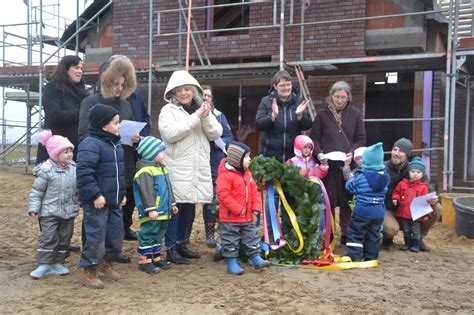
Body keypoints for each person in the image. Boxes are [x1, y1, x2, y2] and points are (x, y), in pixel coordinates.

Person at [158, 70, 222, 265]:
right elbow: (170, 134)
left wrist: (206, 115)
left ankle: (182, 243)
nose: (183, 93)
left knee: (190, 208)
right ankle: (171, 248)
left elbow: (216, 133)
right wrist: (195, 116)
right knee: (175, 209)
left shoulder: (202, 110)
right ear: (173, 93)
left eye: (187, 89)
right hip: (177, 167)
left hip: (197, 167)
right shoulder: (167, 111)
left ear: (194, 90)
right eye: (179, 90)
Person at [78, 57, 139, 262]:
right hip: (97, 162)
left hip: (120, 159)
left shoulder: (126, 105)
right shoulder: (90, 101)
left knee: (115, 213)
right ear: (106, 80)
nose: (120, 89)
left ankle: (111, 254)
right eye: (116, 84)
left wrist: (133, 138)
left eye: (124, 85)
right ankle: (92, 255)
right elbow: (83, 134)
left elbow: (124, 131)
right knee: (95, 214)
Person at [310, 81, 366, 245]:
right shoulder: (322, 115)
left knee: (347, 201)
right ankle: (330, 232)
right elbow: (314, 137)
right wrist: (319, 153)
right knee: (328, 201)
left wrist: (352, 153)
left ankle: (346, 233)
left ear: (348, 97)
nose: (340, 100)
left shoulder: (355, 115)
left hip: (347, 166)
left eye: (343, 97)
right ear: (331, 96)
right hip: (327, 167)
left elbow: (361, 139)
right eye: (337, 97)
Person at [77, 104, 126, 289]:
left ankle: (107, 262)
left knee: (115, 235)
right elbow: (84, 173)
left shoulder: (116, 145)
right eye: (116, 123)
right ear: (104, 126)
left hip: (114, 201)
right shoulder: (90, 144)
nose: (119, 126)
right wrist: (95, 195)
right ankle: (89, 269)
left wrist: (121, 195)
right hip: (97, 202)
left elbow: (119, 174)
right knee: (96, 236)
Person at [28, 130, 78, 279]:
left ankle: (57, 262)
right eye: (65, 152)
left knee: (64, 238)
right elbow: (37, 192)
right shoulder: (46, 171)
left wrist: (80, 201)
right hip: (49, 212)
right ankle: (44, 264)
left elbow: (78, 189)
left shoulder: (74, 169)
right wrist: (33, 208)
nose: (69, 154)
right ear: (55, 154)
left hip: (68, 212)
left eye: (70, 151)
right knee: (48, 237)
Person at [216, 141, 270, 275]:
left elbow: (254, 192)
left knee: (251, 237)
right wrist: (237, 209)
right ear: (237, 160)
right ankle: (232, 264)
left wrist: (256, 207)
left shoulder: (247, 174)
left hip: (247, 217)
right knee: (230, 240)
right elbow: (223, 195)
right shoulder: (225, 175)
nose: (250, 159)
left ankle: (256, 259)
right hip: (231, 218)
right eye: (247, 157)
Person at [383, 138, 441, 251]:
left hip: (411, 209)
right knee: (390, 229)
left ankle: (418, 239)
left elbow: (430, 189)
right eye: (394, 149)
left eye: (401, 151)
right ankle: (386, 238)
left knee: (437, 208)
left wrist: (434, 198)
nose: (396, 153)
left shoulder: (415, 169)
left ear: (407, 155)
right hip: (389, 209)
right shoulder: (383, 167)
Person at [133, 136, 179, 274]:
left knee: (159, 234)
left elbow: (168, 188)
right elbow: (147, 192)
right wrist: (151, 209)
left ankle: (155, 257)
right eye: (160, 151)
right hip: (153, 212)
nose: (163, 154)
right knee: (148, 233)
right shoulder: (145, 171)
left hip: (163, 211)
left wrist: (172, 203)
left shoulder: (162, 169)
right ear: (150, 154)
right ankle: (145, 261)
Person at [36, 55, 89, 164]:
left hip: (76, 147)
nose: (80, 71)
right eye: (76, 67)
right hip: (56, 148)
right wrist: (81, 112)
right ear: (65, 69)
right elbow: (53, 115)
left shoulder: (83, 92)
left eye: (81, 68)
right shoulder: (52, 88)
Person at [200, 85, 233, 247]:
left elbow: (229, 137)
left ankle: (211, 235)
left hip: (216, 163)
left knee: (212, 200)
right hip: (199, 163)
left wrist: (220, 143)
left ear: (212, 99)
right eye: (203, 95)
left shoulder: (220, 116)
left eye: (208, 95)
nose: (205, 98)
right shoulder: (194, 115)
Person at [344, 143, 389, 262]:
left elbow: (350, 187)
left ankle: (355, 255)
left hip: (362, 210)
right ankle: (371, 256)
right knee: (373, 234)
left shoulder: (361, 176)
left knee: (356, 232)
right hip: (378, 211)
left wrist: (352, 178)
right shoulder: (385, 177)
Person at [255, 70, 312, 162]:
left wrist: (300, 116)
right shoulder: (266, 101)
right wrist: (272, 116)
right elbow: (259, 124)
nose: (286, 88)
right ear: (275, 86)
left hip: (293, 156)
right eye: (282, 85)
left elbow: (308, 125)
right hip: (270, 156)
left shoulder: (298, 101)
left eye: (288, 84)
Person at [391, 157, 430, 253]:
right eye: (413, 171)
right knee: (406, 229)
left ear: (422, 174)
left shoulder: (423, 187)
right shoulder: (402, 184)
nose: (415, 174)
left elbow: (425, 201)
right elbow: (396, 192)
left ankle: (416, 245)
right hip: (404, 212)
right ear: (409, 172)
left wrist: (426, 214)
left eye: (418, 172)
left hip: (416, 215)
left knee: (416, 230)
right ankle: (407, 243)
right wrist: (395, 198)